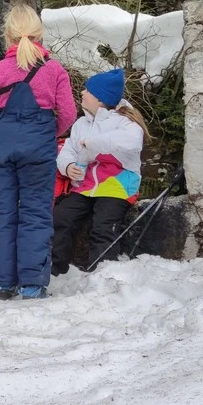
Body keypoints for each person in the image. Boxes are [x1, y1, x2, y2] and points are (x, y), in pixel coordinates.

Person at [0, 4, 76, 301]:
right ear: (39, 34)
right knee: (35, 211)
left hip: (1, 148)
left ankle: (3, 284)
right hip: (39, 146)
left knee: (1, 213)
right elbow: (68, 114)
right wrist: (48, 132)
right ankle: (32, 284)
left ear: (8, 34)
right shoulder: (54, 69)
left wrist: (6, 131)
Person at [53, 68, 150, 275]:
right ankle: (55, 270)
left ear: (100, 99)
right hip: (85, 186)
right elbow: (68, 150)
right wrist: (68, 167)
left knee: (103, 226)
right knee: (61, 218)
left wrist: (92, 144)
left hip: (117, 186)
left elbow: (132, 143)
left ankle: (103, 275)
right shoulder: (81, 123)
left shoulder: (126, 122)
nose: (82, 93)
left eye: (87, 90)